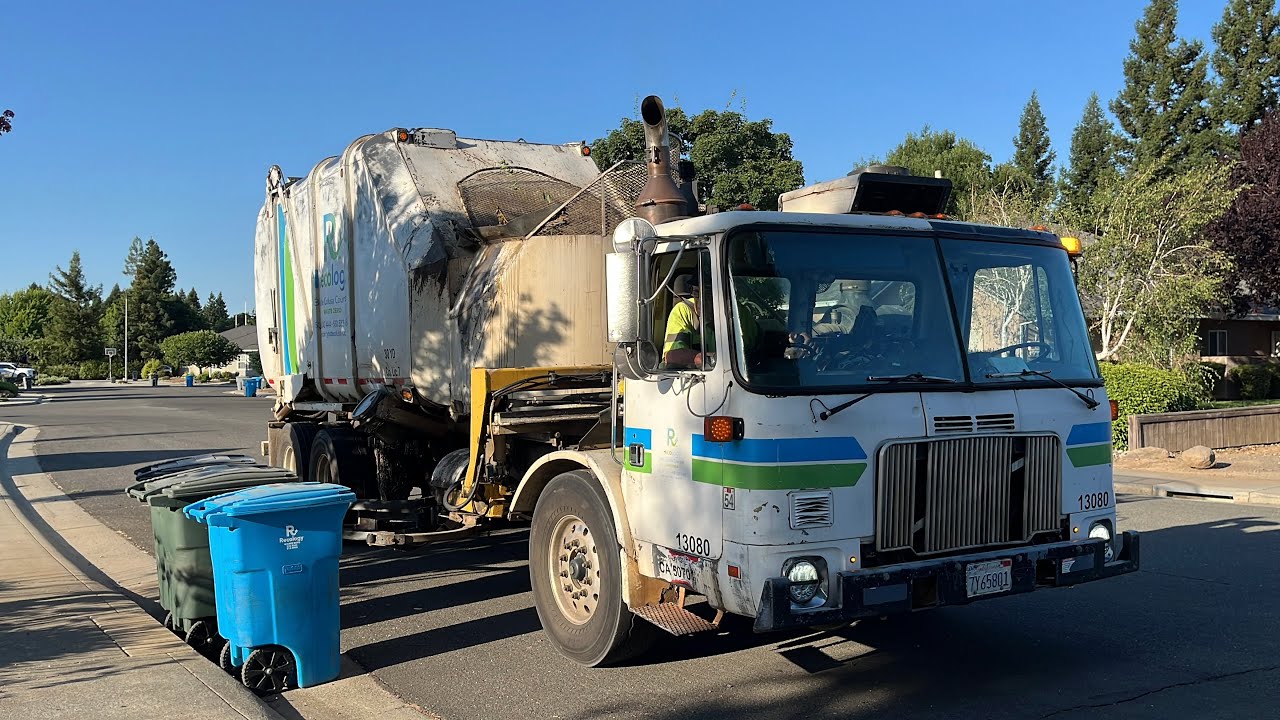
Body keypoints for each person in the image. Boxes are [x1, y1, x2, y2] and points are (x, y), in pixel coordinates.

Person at [662, 273, 759, 369]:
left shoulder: (738, 313)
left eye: (708, 294)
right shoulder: (683, 311)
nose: (701, 302)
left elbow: (756, 351)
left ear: (724, 294)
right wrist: (710, 359)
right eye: (696, 293)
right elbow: (671, 357)